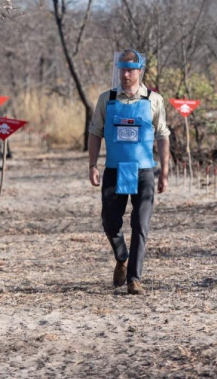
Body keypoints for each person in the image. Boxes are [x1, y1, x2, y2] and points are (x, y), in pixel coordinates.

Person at [88, 49, 170, 295]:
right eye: (122, 69)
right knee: (110, 221)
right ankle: (121, 256)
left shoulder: (153, 100)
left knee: (140, 223)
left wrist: (164, 172)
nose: (125, 74)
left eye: (130, 69)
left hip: (144, 170)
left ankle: (135, 277)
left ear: (139, 70)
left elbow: (163, 135)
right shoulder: (107, 99)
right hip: (115, 169)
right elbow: (95, 133)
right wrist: (92, 164)